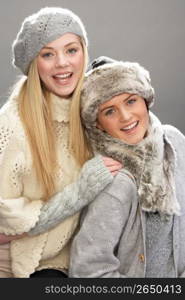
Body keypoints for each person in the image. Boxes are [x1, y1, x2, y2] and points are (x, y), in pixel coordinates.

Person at [0, 8, 122, 278]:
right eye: (47, 54)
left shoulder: (92, 107)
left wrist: (123, 82)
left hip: (81, 259)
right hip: (23, 266)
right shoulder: (12, 125)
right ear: (34, 63)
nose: (62, 64)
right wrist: (80, 191)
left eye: (71, 50)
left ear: (84, 52)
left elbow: (144, 134)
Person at [67, 59, 185, 278]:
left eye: (131, 101)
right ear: (98, 123)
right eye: (110, 111)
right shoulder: (114, 182)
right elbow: (88, 272)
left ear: (145, 100)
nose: (126, 116)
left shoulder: (174, 143)